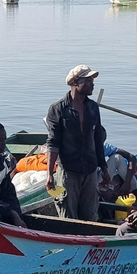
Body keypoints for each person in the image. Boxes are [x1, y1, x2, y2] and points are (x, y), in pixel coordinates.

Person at [45, 65, 110, 221]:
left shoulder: (93, 108)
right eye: (88, 80)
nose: (92, 84)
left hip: (90, 169)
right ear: (75, 82)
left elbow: (97, 139)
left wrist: (104, 167)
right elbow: (53, 143)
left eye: (92, 80)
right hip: (68, 171)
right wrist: (49, 174)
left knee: (90, 215)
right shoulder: (58, 109)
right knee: (68, 215)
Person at [98, 127, 137, 206]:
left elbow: (131, 157)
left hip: (98, 178)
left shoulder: (104, 147)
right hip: (88, 184)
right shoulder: (83, 150)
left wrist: (127, 183)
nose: (99, 146)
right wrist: (101, 192)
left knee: (117, 158)